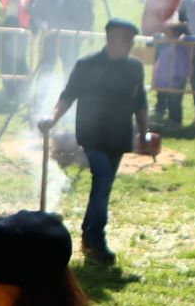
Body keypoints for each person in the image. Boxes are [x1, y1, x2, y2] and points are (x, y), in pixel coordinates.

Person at [38, 19, 151, 265]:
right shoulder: (87, 65)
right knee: (102, 178)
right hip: (93, 134)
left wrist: (144, 133)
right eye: (127, 40)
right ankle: (96, 238)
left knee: (104, 184)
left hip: (119, 134)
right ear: (111, 39)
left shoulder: (134, 67)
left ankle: (89, 234)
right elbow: (68, 95)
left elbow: (140, 101)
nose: (131, 45)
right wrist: (52, 118)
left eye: (132, 41)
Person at [30, 0, 92, 75]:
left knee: (70, 68)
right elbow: (37, 11)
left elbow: (88, 17)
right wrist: (41, 23)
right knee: (46, 68)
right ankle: (42, 91)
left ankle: (71, 91)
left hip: (71, 37)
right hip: (50, 36)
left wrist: (82, 34)